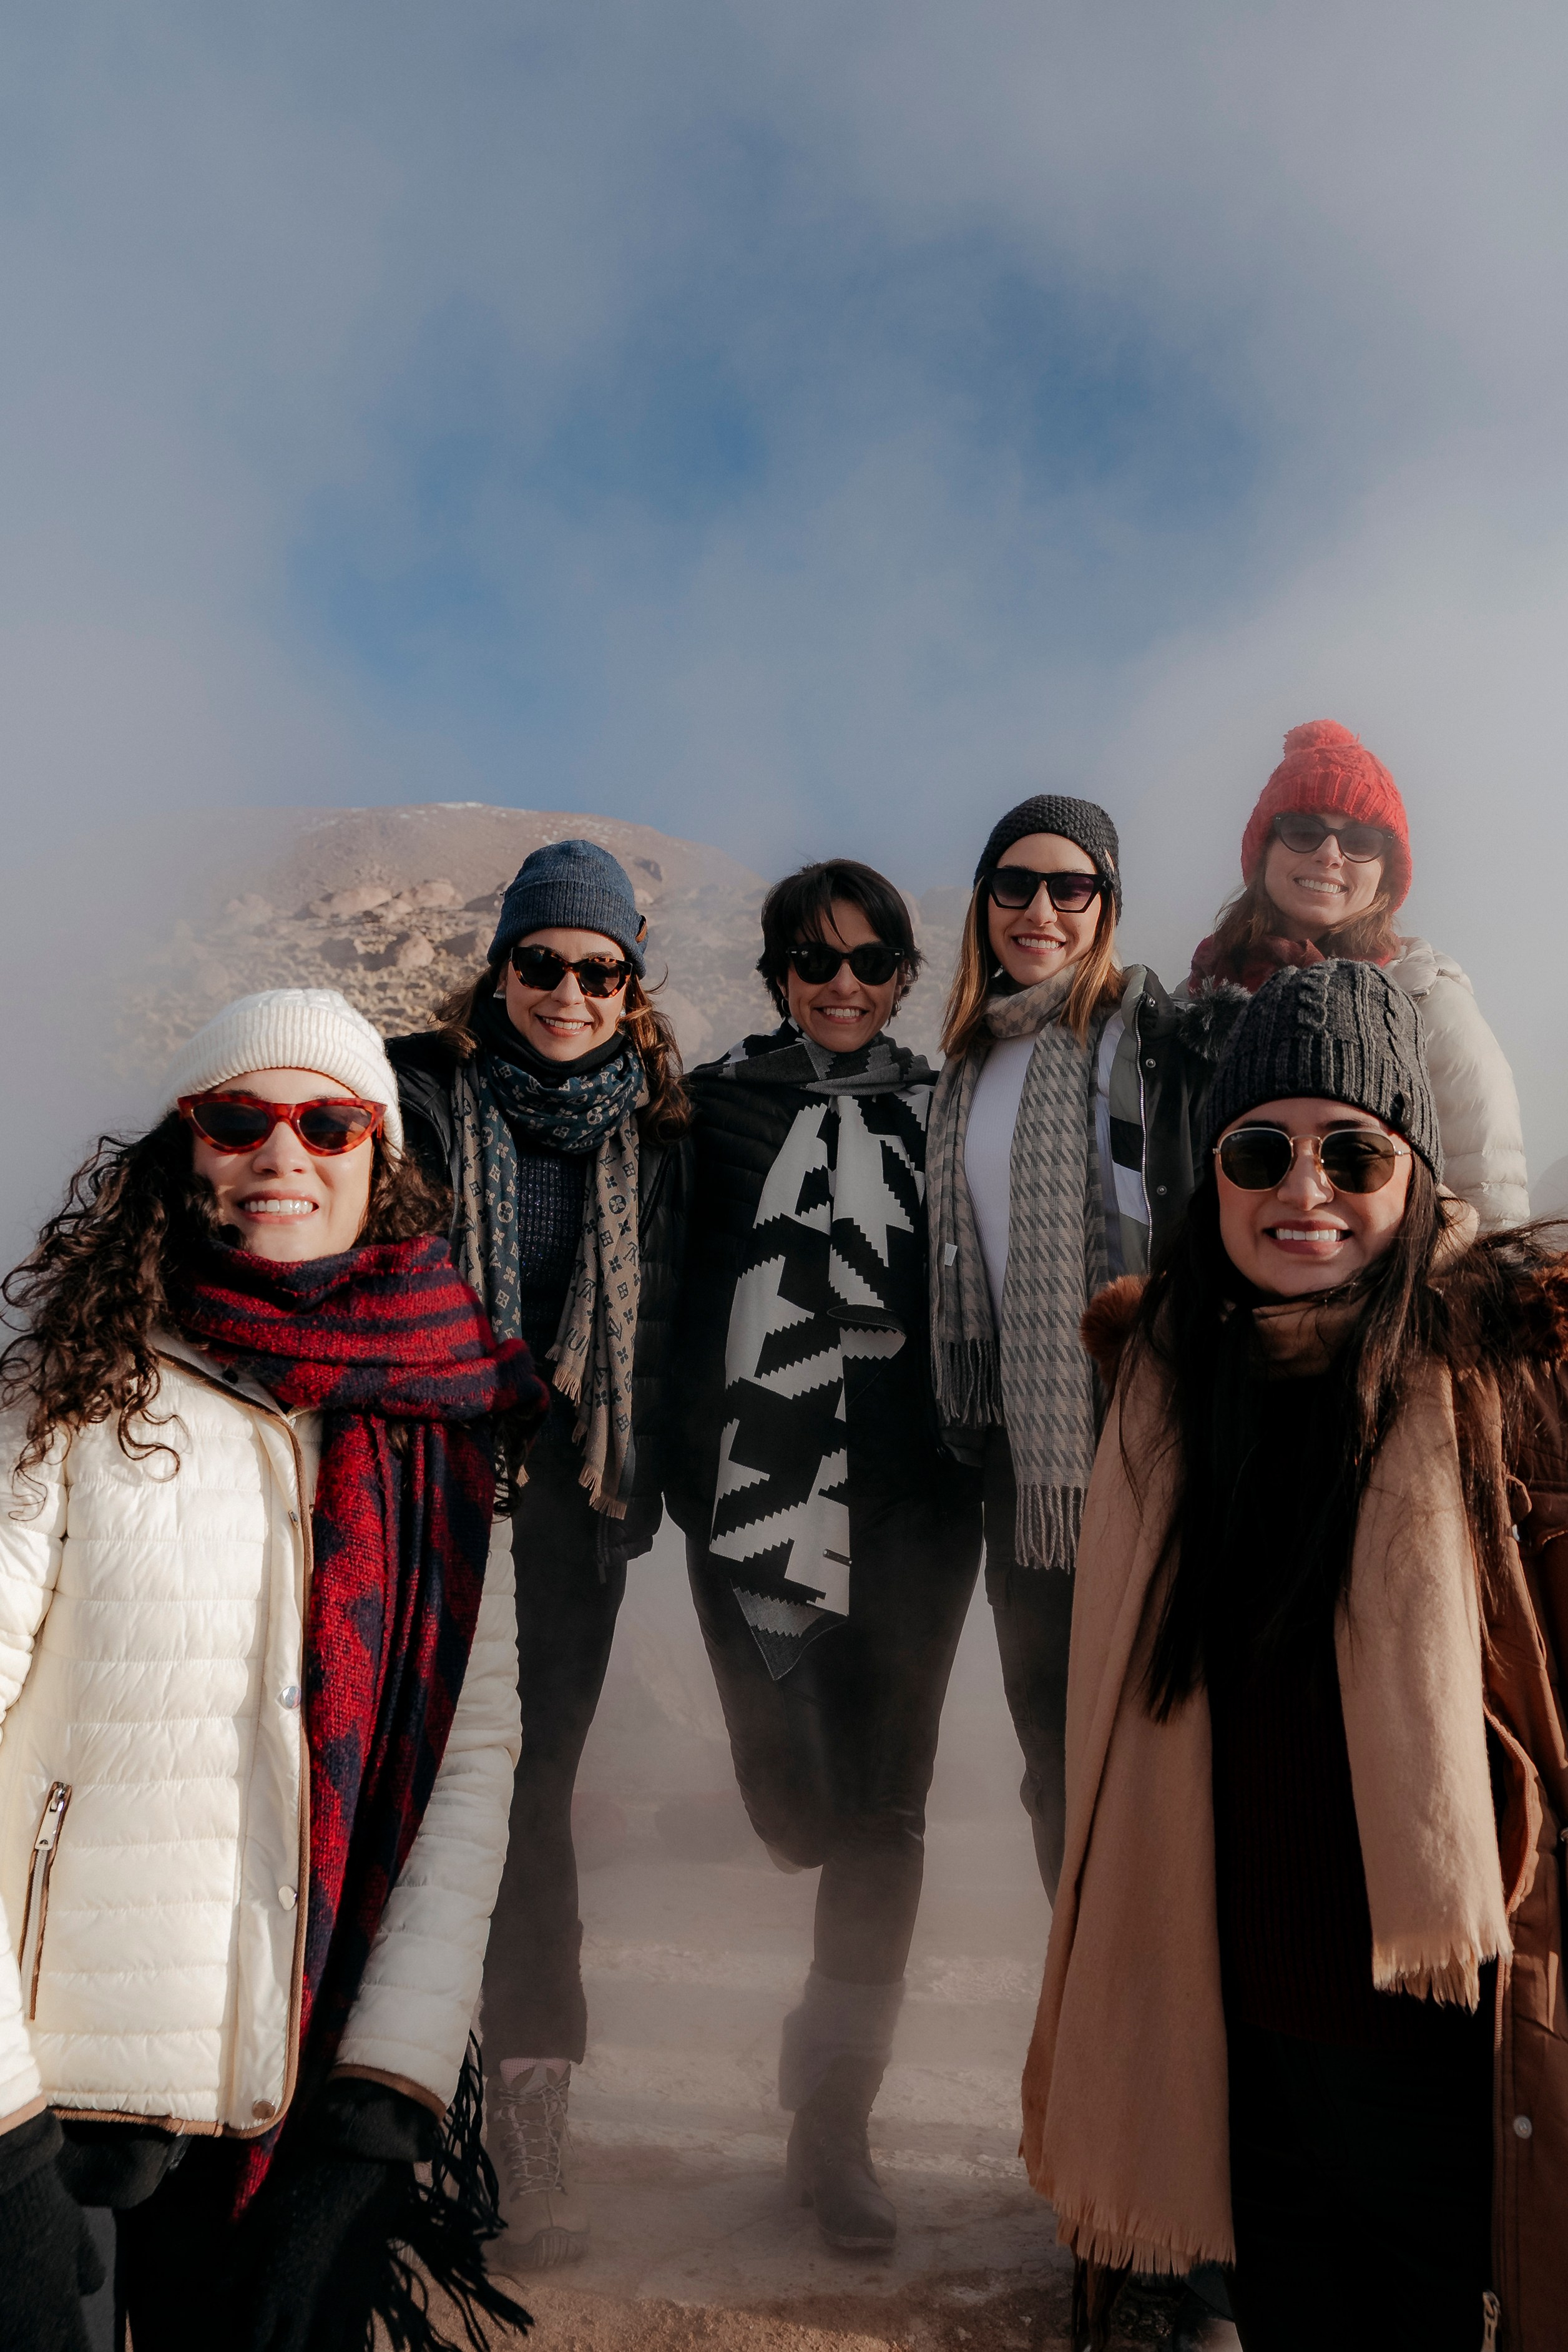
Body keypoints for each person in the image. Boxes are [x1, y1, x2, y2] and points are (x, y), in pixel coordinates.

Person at [1022, 961, 1568, 2352]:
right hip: (1241, 2056)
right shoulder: (1163, 1399)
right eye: (1258, 1151)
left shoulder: (1512, 1387)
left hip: (1444, 2063)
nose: (1302, 1189)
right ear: (1211, 1179)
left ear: (1416, 1176)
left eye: (1352, 1153)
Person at [0, 988, 544, 2352]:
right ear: (187, 1145)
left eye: (328, 1120)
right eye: (239, 1117)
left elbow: (462, 1774)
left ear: (381, 1155)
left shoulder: (447, 1418)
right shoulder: (77, 1387)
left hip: (299, 2096)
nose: (281, 1154)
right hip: (58, 2095)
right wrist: (4, 2139)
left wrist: (379, 2107)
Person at [665, 860, 983, 2252]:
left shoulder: (942, 1109)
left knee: (884, 1816)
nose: (841, 984)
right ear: (776, 974)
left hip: (917, 1509)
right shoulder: (718, 1109)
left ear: (906, 974)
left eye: (869, 961)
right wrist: (683, 1486)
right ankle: (825, 2048)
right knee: (795, 1804)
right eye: (813, 960)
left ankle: (834, 2121)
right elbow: (669, 1300)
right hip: (755, 1496)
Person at [388, 838, 690, 2273]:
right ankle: (376, 2111)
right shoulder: (414, 1098)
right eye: (540, 964)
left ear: (630, 988)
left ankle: (529, 2119)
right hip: (425, 1496)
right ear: (497, 968)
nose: (566, 992)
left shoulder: (662, 1129)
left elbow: (683, 1324)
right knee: (395, 1788)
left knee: (534, 1798)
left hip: (574, 1514)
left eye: (596, 969)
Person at [925, 793, 1243, 1903]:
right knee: (1051, 1749)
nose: (1042, 909)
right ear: (984, 901)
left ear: (1107, 903)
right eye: (1015, 884)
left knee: (1170, 1734)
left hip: (1154, 1433)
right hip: (1027, 1458)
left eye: (1073, 887)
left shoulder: (1154, 1041)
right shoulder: (965, 1064)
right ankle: (1084, 2006)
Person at [1190, 717, 1528, 1228]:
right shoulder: (1197, 999)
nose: (1329, 855)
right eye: (1303, 830)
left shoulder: (1427, 998)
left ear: (1384, 872)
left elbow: (1490, 1197)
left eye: (1362, 840)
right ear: (1265, 848)